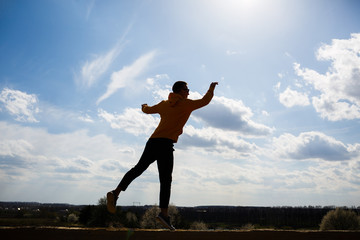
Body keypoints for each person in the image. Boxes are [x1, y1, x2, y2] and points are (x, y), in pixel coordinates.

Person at [106, 81, 218, 230]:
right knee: (166, 180)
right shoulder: (187, 104)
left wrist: (143, 106)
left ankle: (115, 193)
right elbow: (205, 101)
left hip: (152, 142)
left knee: (138, 169)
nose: (189, 92)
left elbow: (148, 110)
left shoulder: (164, 104)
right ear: (180, 91)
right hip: (165, 145)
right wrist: (211, 88)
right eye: (187, 89)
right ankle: (163, 214)